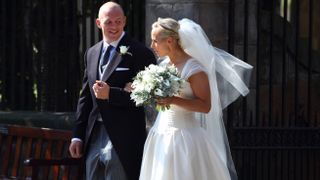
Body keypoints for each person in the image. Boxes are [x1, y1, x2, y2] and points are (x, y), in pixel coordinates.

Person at [136, 18, 253, 180]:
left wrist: (173, 100)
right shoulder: (163, 66)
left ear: (169, 41)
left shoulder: (194, 69)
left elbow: (205, 106)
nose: (151, 45)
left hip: (185, 138)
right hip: (160, 135)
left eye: (155, 41)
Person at [68, 2, 156, 180]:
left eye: (118, 21)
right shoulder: (91, 53)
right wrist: (77, 136)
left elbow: (147, 96)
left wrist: (111, 94)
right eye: (109, 22)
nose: (114, 26)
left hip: (124, 135)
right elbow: (85, 97)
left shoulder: (140, 53)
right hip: (94, 133)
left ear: (124, 21)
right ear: (99, 23)